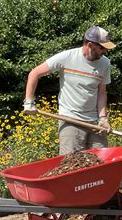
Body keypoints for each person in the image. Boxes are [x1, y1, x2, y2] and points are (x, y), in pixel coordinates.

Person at [23, 26, 116, 155]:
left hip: (94, 122)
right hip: (71, 120)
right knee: (71, 164)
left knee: (101, 160)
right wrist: (29, 101)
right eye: (102, 47)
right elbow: (34, 73)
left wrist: (103, 118)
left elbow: (101, 93)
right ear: (90, 44)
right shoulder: (67, 57)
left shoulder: (105, 63)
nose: (104, 51)